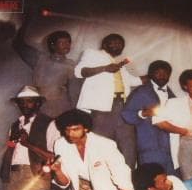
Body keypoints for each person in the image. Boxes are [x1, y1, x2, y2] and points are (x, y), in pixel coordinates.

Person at [51, 109, 134, 190]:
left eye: (75, 129)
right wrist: (57, 171)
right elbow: (64, 183)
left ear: (86, 129)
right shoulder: (60, 144)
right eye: (67, 130)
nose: (70, 134)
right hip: (81, 189)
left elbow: (124, 180)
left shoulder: (105, 144)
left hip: (108, 188)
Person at [0, 86, 60, 190]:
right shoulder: (15, 124)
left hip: (36, 175)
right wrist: (12, 143)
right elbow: (10, 148)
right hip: (13, 174)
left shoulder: (49, 124)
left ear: (38, 103)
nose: (25, 105)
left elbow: (54, 156)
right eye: (21, 102)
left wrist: (28, 143)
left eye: (29, 101)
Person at [75, 34, 142, 166]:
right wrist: (105, 68)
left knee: (128, 145)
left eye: (121, 44)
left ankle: (128, 174)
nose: (118, 45)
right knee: (101, 145)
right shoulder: (92, 53)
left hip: (123, 107)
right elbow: (79, 72)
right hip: (103, 109)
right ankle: (100, 174)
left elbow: (133, 81)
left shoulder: (119, 65)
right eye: (114, 42)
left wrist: (153, 75)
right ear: (104, 44)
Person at [13, 12, 79, 117]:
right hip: (39, 105)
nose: (66, 45)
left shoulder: (72, 65)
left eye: (68, 42)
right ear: (52, 45)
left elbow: (74, 91)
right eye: (62, 42)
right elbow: (18, 44)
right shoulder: (39, 59)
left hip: (61, 107)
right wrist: (26, 22)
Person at [121, 60, 177, 174]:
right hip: (149, 147)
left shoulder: (173, 96)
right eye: (158, 73)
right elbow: (126, 115)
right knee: (152, 180)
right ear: (151, 74)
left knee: (172, 180)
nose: (162, 76)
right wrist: (143, 113)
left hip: (172, 148)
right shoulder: (141, 92)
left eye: (165, 73)